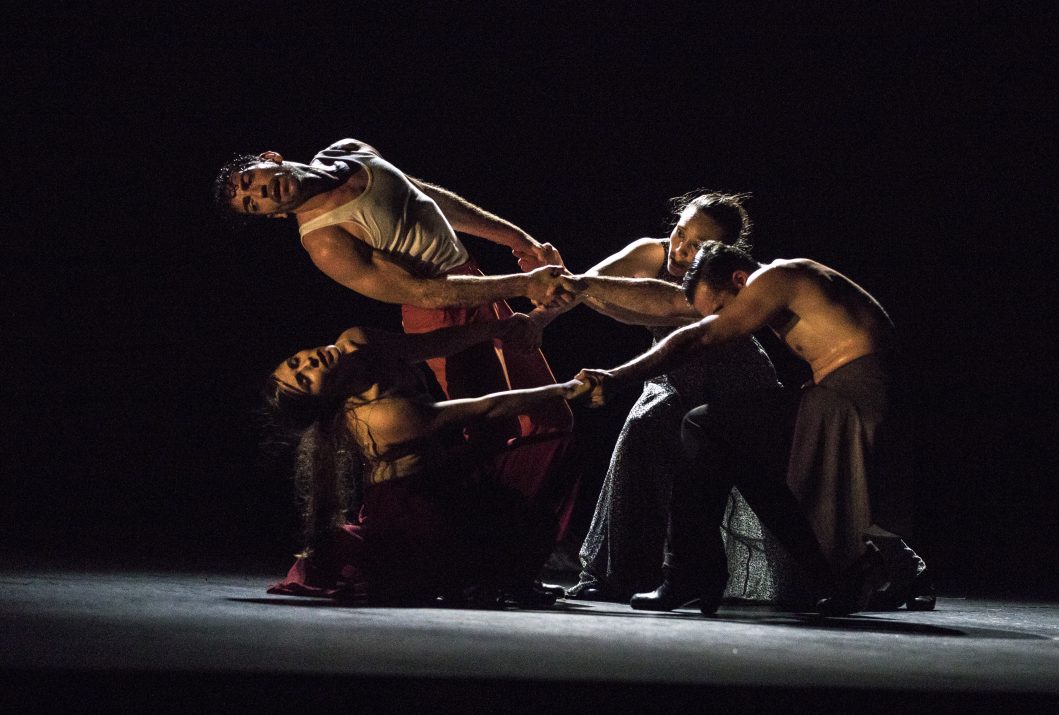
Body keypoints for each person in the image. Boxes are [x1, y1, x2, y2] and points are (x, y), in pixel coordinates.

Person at [568, 241, 933, 615]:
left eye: (721, 309)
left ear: (740, 279)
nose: (723, 320)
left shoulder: (776, 276)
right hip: (850, 398)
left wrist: (615, 378)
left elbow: (701, 337)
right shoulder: (797, 279)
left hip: (848, 403)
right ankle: (832, 577)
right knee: (746, 460)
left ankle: (689, 573)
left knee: (700, 423)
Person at [522, 191, 788, 604]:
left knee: (772, 483)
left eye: (697, 245)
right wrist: (537, 319)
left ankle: (889, 565)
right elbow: (584, 287)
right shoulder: (651, 251)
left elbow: (659, 307)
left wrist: (587, 288)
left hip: (729, 378)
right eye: (681, 232)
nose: (681, 249)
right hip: (672, 374)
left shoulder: (717, 280)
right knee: (643, 440)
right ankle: (622, 573)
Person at [214, 138, 572, 440]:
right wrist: (525, 284)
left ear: (269, 159)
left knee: (551, 416)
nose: (261, 192)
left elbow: (428, 199)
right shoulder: (324, 241)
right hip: (441, 315)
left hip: (473, 281)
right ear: (273, 215)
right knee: (504, 433)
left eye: (250, 181)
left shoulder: (348, 149)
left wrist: (520, 241)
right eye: (252, 203)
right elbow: (422, 293)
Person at [263, 316, 581, 607]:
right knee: (549, 448)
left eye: (295, 362)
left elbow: (434, 345)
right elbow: (485, 408)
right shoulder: (382, 416)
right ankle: (495, 576)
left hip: (442, 479)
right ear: (324, 399)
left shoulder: (357, 340)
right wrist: (567, 390)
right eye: (305, 379)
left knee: (520, 465)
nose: (308, 362)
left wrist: (495, 328)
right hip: (413, 512)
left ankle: (499, 573)